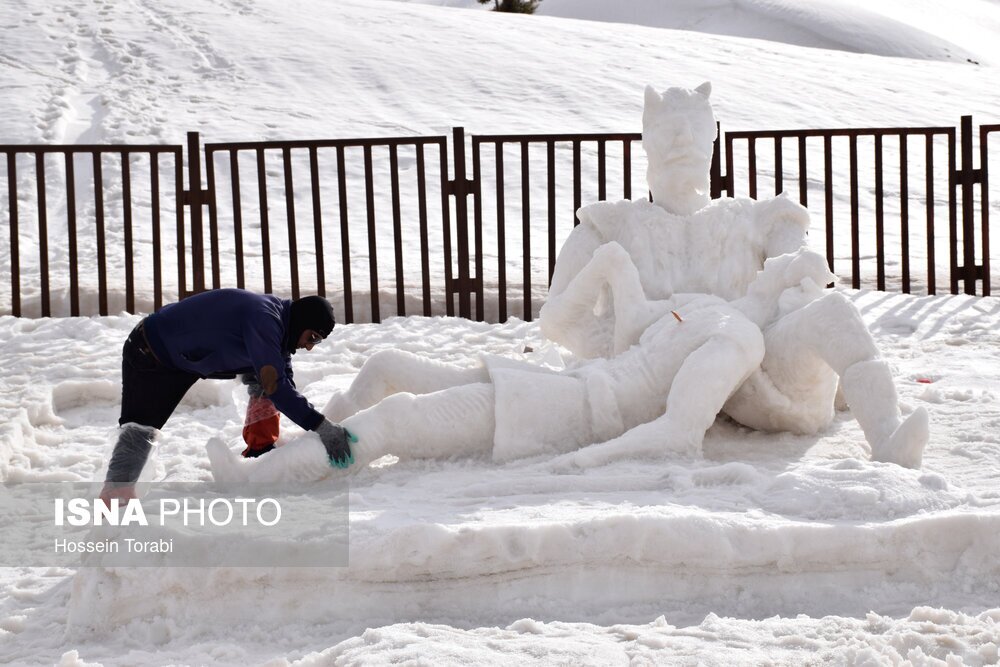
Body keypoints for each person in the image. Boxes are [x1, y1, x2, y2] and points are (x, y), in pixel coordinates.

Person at [100, 288, 355, 504]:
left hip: (185, 359)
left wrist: (315, 423)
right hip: (151, 351)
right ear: (302, 321)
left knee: (265, 380)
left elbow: (283, 380)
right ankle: (115, 499)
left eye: (317, 342)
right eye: (312, 337)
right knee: (141, 429)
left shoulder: (280, 328)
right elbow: (276, 386)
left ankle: (261, 448)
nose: (310, 346)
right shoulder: (265, 318)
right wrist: (322, 427)